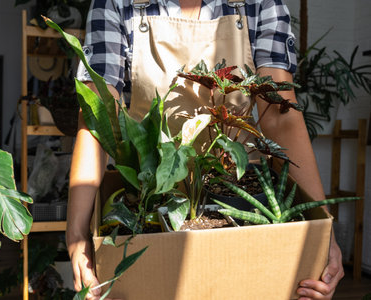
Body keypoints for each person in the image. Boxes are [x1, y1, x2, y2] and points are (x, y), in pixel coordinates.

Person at [66, 1, 344, 299]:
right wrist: (77, 234)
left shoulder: (260, 4)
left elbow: (279, 116)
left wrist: (320, 225)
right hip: (150, 199)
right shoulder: (117, 4)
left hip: (240, 203)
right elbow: (99, 117)